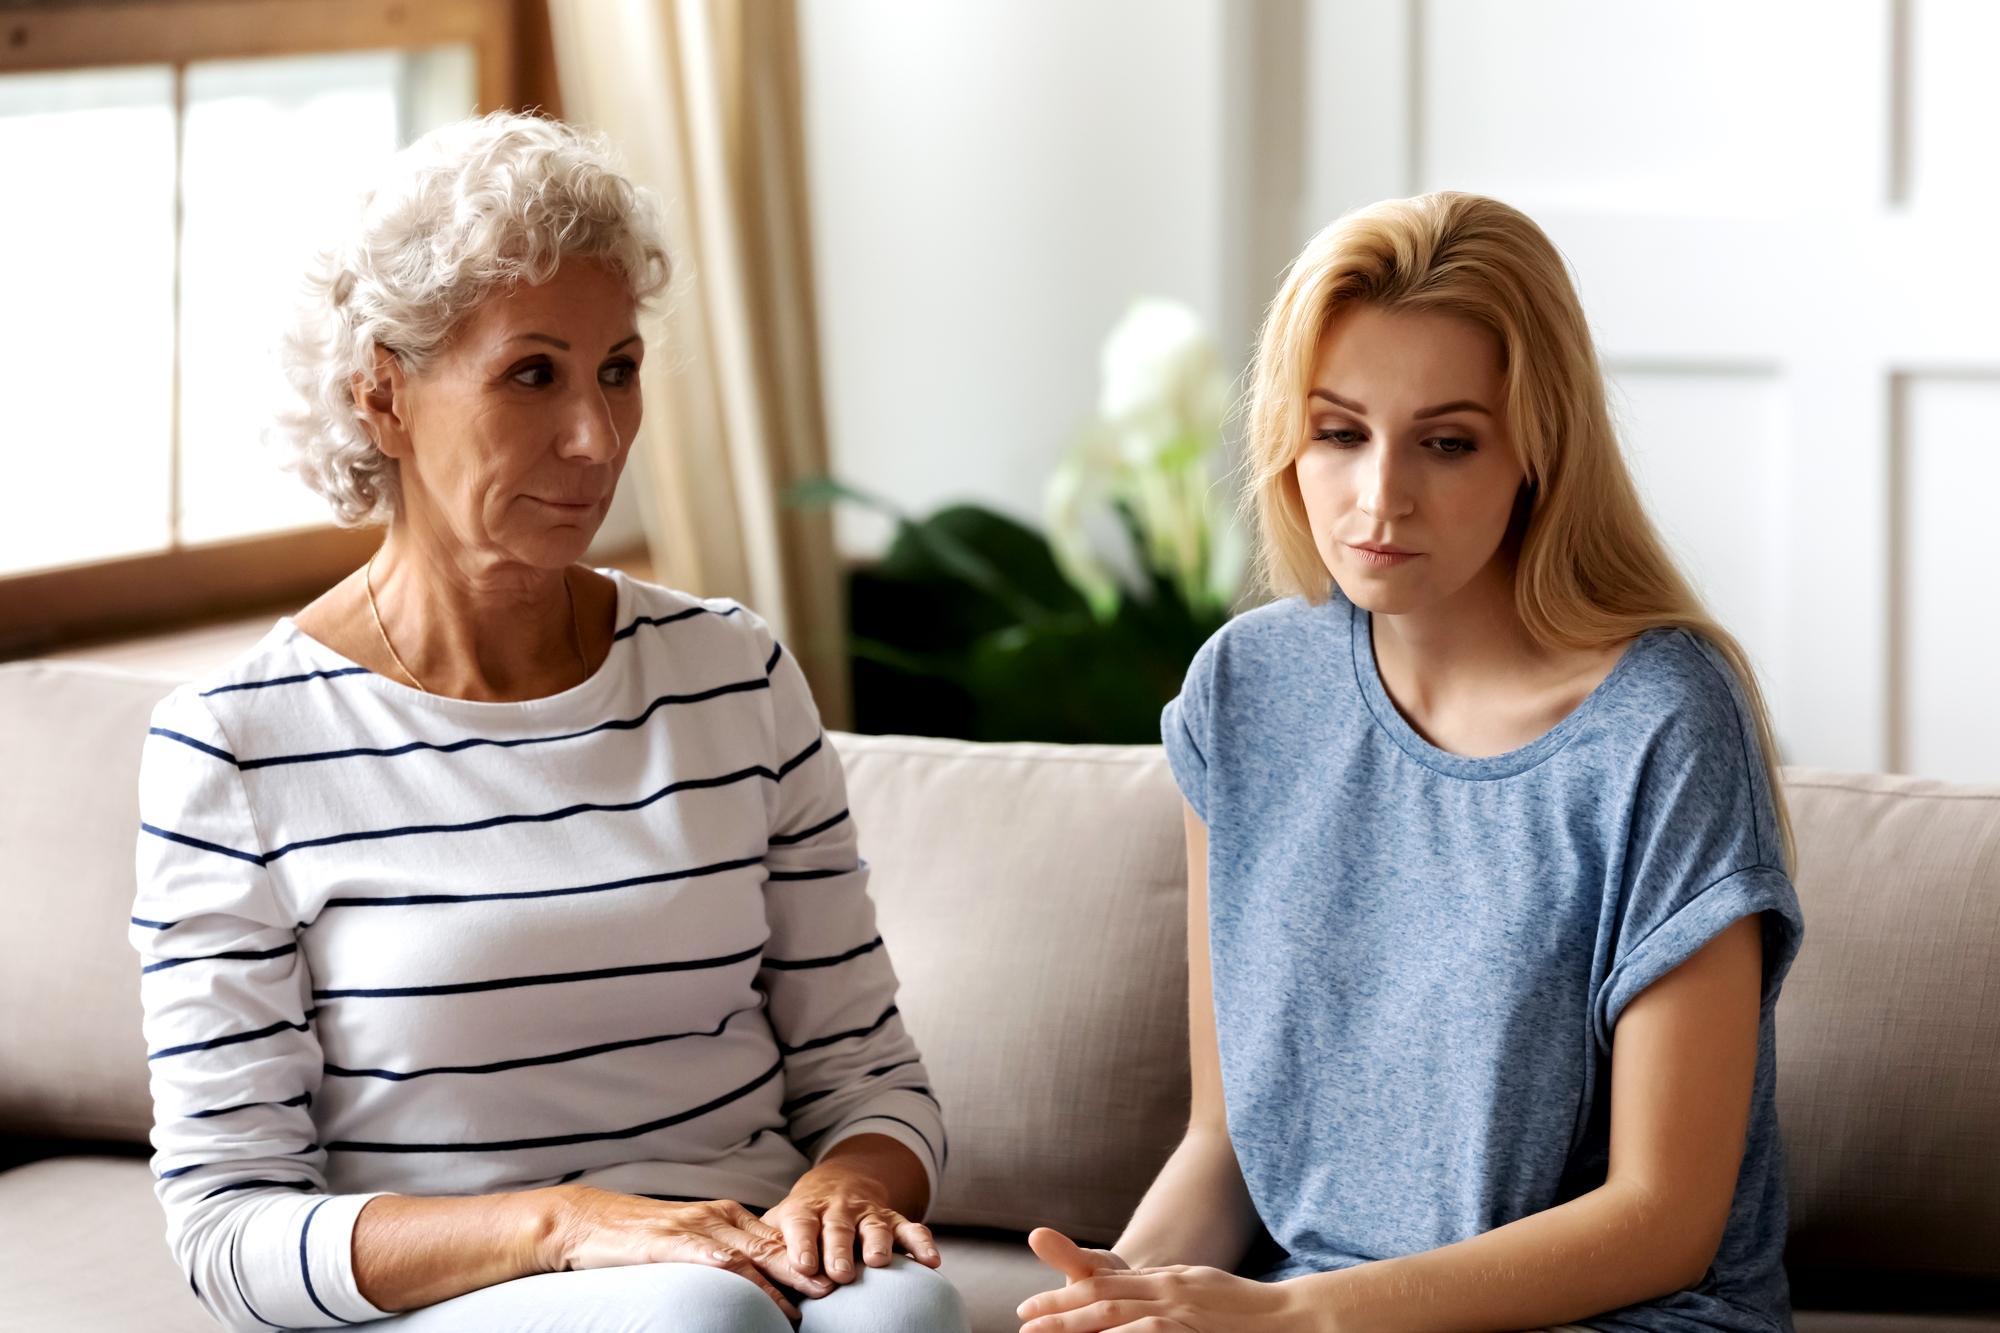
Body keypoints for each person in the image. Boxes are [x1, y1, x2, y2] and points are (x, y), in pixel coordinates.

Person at [132, 113, 966, 1333]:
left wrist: (847, 1181)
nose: (596, 438)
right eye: (534, 374)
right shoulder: (237, 745)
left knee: (900, 1316)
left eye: (616, 370)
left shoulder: (730, 671)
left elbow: (868, 1075)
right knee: (694, 1321)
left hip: (746, 1257)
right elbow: (226, 1221)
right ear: (384, 394)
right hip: (472, 1285)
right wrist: (565, 1221)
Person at [1019, 192, 1804, 1333]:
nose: (1378, 497)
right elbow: (1226, 1144)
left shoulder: (1662, 721)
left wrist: (1294, 1321)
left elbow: (1661, 1217)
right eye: (1338, 432)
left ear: (1537, 449)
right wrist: (1117, 1300)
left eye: (1445, 442)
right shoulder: (1245, 691)